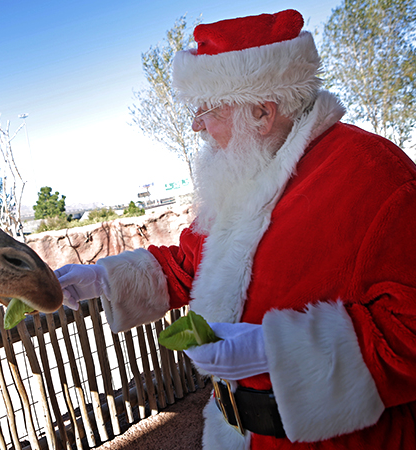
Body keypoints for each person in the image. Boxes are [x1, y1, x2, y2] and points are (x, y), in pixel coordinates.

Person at [55, 9, 416, 449]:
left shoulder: (376, 176)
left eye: (206, 109)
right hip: (234, 433)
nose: (195, 125)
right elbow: (193, 263)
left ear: (262, 112)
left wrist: (274, 350)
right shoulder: (249, 169)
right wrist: (99, 277)